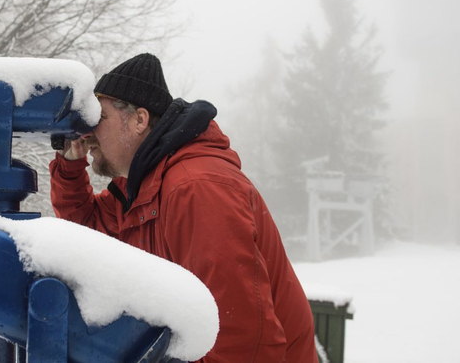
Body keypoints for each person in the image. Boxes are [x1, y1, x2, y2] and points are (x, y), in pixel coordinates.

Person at [49, 53, 317, 362]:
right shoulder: (144, 188)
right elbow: (86, 234)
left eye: (100, 119)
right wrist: (71, 165)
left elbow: (238, 334)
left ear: (139, 120)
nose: (88, 132)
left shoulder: (197, 189)